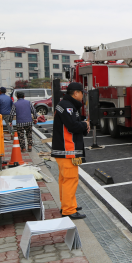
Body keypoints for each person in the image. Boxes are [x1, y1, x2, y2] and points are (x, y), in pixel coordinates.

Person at [51, 82, 90, 219]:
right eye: (81, 93)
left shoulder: (63, 105)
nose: (82, 96)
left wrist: (83, 125)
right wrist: (85, 124)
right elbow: (73, 126)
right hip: (68, 149)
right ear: (76, 93)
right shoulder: (68, 107)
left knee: (64, 179)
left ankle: (68, 204)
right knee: (70, 179)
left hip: (63, 149)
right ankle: (68, 209)